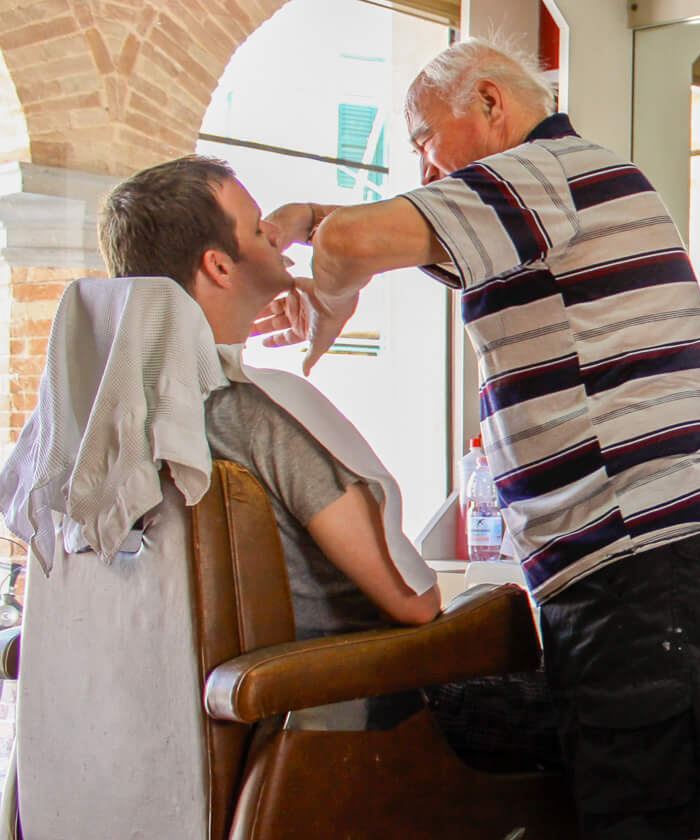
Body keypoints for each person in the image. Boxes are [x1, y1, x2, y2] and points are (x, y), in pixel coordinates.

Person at [259, 40, 700, 840]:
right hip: (625, 554)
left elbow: (354, 238)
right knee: (636, 830)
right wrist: (322, 240)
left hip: (646, 548)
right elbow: (391, 243)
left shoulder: (543, 174)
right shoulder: (529, 207)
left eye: (428, 146)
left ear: (490, 106)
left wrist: (325, 275)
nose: (428, 174)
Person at [94, 155, 556, 765]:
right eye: (258, 228)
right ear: (217, 265)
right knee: (603, 701)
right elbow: (414, 604)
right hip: (340, 732)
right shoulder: (254, 416)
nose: (277, 241)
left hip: (184, 749)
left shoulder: (110, 429)